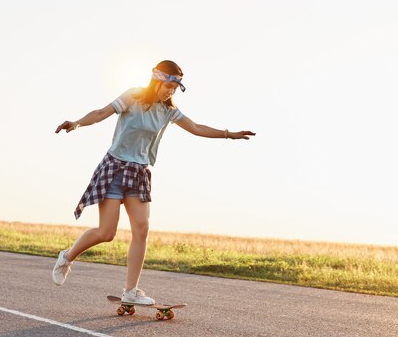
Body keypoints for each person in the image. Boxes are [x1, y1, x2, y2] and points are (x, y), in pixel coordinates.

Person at [54, 60, 255, 305]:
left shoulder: (169, 111)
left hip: (139, 172)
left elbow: (196, 128)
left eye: (176, 87)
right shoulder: (133, 97)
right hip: (115, 168)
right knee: (106, 233)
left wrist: (228, 134)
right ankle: (67, 257)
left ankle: (130, 290)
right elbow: (100, 113)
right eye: (169, 85)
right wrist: (76, 123)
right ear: (157, 80)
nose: (171, 91)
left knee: (142, 229)